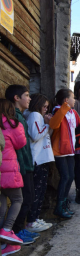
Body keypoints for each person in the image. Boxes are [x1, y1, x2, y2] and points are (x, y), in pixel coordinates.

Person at [50, 89, 80, 218]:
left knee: (70, 177)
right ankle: (59, 207)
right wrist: (64, 108)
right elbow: (54, 124)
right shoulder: (57, 111)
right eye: (72, 97)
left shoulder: (73, 113)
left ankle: (64, 204)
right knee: (65, 177)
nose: (75, 100)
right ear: (66, 101)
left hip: (71, 150)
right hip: (60, 150)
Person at [5, 85, 38, 244]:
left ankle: (18, 230)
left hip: (23, 164)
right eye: (26, 95)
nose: (29, 98)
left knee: (26, 198)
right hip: (21, 165)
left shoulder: (19, 115)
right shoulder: (15, 118)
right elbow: (19, 145)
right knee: (25, 199)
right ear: (16, 98)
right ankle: (16, 233)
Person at [24, 94, 54, 232]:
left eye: (47, 107)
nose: (46, 110)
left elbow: (45, 134)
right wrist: (47, 124)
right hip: (37, 159)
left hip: (43, 158)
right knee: (36, 192)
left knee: (41, 191)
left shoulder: (39, 117)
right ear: (37, 104)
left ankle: (35, 218)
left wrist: (49, 125)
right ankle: (30, 222)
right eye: (44, 106)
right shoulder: (34, 115)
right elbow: (35, 135)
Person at [0, 99, 26, 254]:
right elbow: (21, 143)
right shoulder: (12, 124)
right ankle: (7, 229)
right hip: (9, 169)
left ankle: (2, 246)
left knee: (2, 205)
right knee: (18, 199)